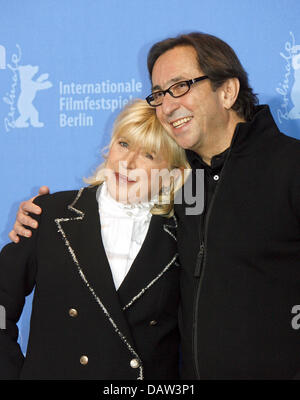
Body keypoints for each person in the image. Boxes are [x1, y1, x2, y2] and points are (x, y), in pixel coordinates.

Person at [10, 32, 300, 379]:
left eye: (180, 86)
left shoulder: (290, 166)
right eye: (159, 93)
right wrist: (42, 215)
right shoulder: (188, 184)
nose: (166, 105)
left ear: (227, 91)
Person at [0, 99, 190, 380]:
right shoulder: (49, 214)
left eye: (149, 155)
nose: (127, 162)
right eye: (123, 144)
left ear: (171, 175)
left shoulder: (184, 236)